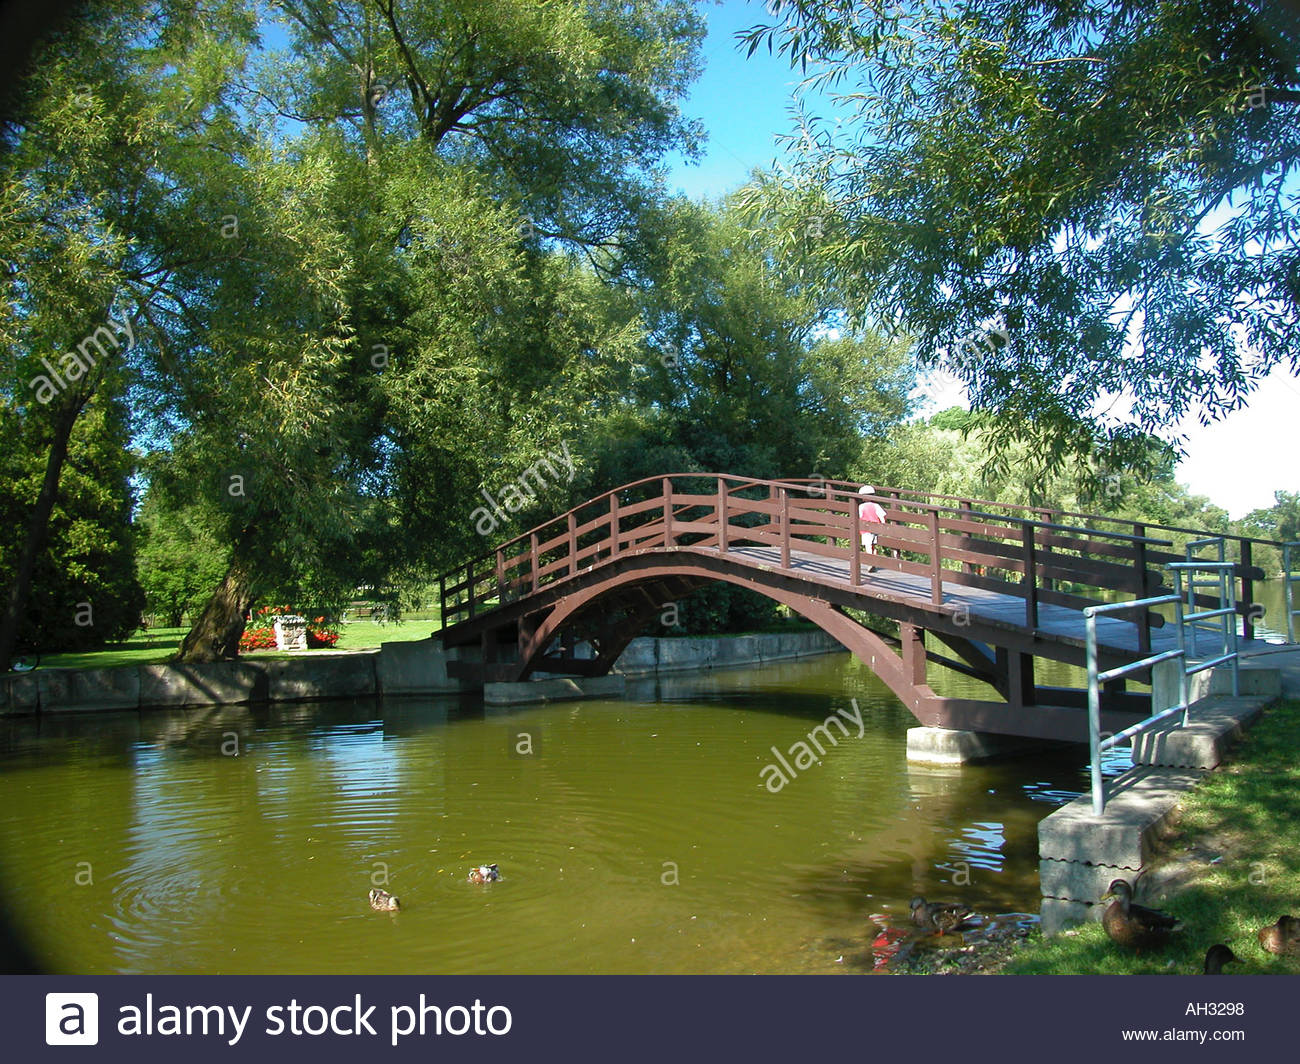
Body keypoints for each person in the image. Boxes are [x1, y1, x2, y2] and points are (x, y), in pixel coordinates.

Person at [858, 485, 886, 572]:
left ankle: (870, 563)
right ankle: (874, 562)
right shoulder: (876, 505)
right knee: (873, 545)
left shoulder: (861, 506)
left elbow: (859, 516)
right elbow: (882, 516)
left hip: (865, 529)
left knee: (868, 546)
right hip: (875, 528)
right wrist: (883, 525)